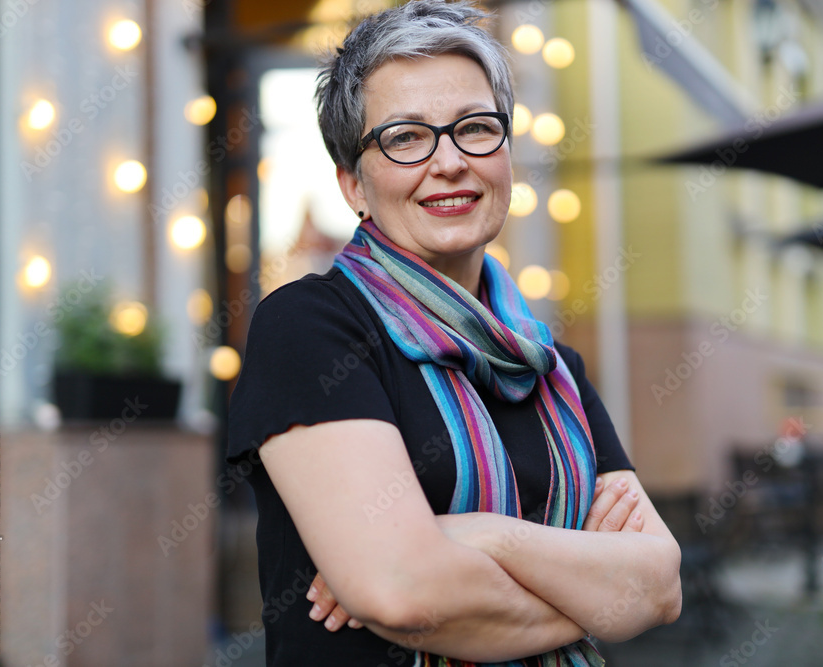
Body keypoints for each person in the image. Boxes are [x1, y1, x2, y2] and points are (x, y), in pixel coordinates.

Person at [227, 2, 682, 665]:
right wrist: (593, 587)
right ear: (353, 182)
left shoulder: (552, 367)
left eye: (474, 128)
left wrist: (477, 539)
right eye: (406, 137)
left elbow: (659, 587)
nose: (449, 162)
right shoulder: (311, 328)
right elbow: (404, 591)